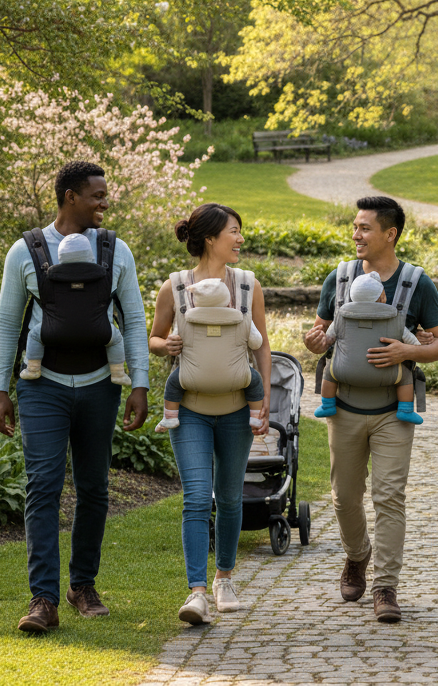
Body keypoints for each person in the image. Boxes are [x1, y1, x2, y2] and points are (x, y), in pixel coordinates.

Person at [0, 160, 150, 633]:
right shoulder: (25, 251)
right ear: (69, 197)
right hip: (42, 388)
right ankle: (43, 599)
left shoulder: (116, 251)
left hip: (101, 384)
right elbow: (6, 323)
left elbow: (135, 321)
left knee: (95, 489)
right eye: (97, 195)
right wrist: (1, 390)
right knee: (43, 488)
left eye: (106, 195)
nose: (105, 203)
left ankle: (82, 585)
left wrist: (138, 383)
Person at [303, 196, 438, 624]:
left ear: (391, 233)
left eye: (365, 228)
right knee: (344, 496)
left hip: (393, 410)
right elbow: (322, 330)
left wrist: (407, 349)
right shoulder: (340, 276)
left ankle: (386, 587)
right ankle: (357, 555)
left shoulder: (416, 283)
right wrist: (316, 341)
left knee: (389, 496)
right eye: (354, 227)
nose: (356, 235)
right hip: (344, 406)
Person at [149, 203, 272, 625]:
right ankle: (197, 592)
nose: (240, 239)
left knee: (231, 497)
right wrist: (164, 346)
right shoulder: (176, 287)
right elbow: (154, 337)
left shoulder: (247, 285)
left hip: (238, 410)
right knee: (198, 498)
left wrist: (266, 396)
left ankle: (225, 578)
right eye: (234, 231)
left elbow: (261, 345)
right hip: (190, 413)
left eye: (240, 230)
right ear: (209, 239)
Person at [18, 232, 132, 386]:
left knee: (34, 336)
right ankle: (118, 372)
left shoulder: (51, 274)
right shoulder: (101, 274)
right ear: (90, 256)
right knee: (116, 338)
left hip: (53, 330)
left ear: (60, 257)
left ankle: (32, 368)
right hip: (99, 329)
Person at [316, 270, 424, 425]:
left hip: (344, 372)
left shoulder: (341, 317)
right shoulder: (395, 319)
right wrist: (419, 337)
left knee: (329, 370)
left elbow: (328, 339)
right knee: (406, 376)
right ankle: (405, 409)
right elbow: (413, 345)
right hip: (387, 373)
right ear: (381, 297)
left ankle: (327, 404)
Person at [156, 277, 265, 431]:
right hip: (237, 375)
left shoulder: (186, 318)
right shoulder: (241, 317)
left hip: (191, 376)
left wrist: (170, 343)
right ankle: (255, 417)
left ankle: (170, 417)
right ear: (226, 297)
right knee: (255, 381)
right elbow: (256, 342)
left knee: (173, 382)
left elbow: (175, 339)